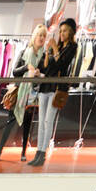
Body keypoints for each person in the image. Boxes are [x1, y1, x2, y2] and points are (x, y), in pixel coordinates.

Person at [26, 16, 78, 167]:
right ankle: (38, 153)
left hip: (57, 88)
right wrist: (40, 68)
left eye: (65, 31)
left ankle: (42, 153)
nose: (62, 34)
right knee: (41, 121)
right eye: (60, 31)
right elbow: (47, 68)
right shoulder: (59, 47)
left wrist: (54, 48)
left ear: (71, 32)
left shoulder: (72, 48)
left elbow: (62, 65)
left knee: (48, 122)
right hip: (45, 86)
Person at [0, 23, 46, 162]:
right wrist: (25, 68)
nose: (41, 38)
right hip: (20, 93)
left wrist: (39, 74)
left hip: (32, 94)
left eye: (44, 36)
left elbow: (45, 76)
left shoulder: (43, 56)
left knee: (27, 125)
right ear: (35, 36)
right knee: (10, 122)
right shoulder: (24, 52)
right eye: (40, 35)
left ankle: (23, 153)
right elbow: (15, 72)